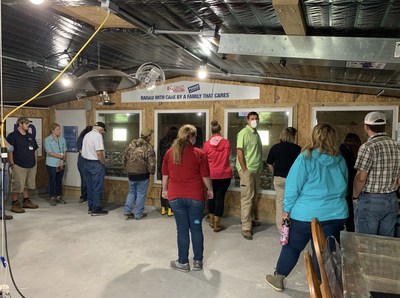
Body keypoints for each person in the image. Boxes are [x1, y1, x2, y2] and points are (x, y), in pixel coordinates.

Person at [265, 123, 348, 292]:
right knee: (323, 251)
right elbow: (345, 186)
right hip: (335, 214)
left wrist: (286, 210)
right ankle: (322, 286)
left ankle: (279, 277)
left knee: (292, 246)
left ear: (315, 136)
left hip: (305, 215)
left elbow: (292, 187)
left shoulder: (306, 157)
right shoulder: (340, 160)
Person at [161, 124, 213, 272]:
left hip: (176, 198)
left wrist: (164, 190)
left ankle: (183, 262)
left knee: (182, 229)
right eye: (195, 136)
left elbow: (165, 174)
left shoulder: (170, 153)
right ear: (191, 137)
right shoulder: (199, 153)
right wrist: (210, 190)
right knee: (196, 228)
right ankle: (197, 262)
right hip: (196, 199)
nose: (196, 139)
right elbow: (205, 176)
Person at [353, 111, 400, 236]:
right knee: (384, 244)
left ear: (366, 127)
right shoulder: (397, 146)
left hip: (370, 201)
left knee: (366, 243)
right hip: (392, 200)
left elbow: (361, 178)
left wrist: (355, 196)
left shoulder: (368, 147)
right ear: (384, 127)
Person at [266, 127, 301, 231]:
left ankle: (281, 229)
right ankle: (292, 226)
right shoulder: (297, 149)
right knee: (293, 202)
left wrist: (274, 173)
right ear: (293, 136)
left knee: (280, 202)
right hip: (292, 180)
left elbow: (269, 163)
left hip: (279, 178)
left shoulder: (275, 147)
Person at [236, 111, 263, 240]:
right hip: (248, 171)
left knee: (253, 196)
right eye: (252, 119)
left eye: (256, 119)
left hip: (256, 170)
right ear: (248, 120)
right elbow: (239, 150)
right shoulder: (244, 133)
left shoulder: (256, 134)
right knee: (247, 198)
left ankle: (250, 220)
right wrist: (245, 169)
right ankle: (246, 228)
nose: (255, 121)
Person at [203, 120, 232, 232]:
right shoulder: (226, 143)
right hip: (225, 175)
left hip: (211, 175)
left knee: (211, 196)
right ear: (220, 130)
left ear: (211, 131)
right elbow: (228, 155)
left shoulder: (206, 145)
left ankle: (211, 220)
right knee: (220, 197)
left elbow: (204, 160)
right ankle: (217, 224)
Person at [7, 117, 39, 213]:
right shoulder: (12, 136)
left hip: (31, 164)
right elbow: (10, 150)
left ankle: (26, 201)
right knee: (17, 185)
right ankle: (15, 203)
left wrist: (35, 161)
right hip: (18, 164)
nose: (28, 125)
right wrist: (12, 163)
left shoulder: (30, 136)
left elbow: (35, 149)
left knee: (27, 185)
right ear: (20, 124)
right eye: (26, 123)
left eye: (28, 123)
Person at [123, 128, 156, 220]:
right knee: (141, 194)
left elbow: (125, 157)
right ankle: (138, 214)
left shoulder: (131, 144)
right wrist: (152, 171)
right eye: (150, 135)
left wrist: (126, 168)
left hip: (131, 173)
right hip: (142, 174)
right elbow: (152, 163)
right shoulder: (148, 147)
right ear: (148, 136)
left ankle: (127, 212)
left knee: (131, 193)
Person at [81, 122, 108, 216]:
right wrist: (103, 162)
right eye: (103, 131)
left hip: (86, 163)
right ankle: (96, 209)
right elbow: (99, 152)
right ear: (100, 129)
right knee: (97, 187)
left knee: (90, 186)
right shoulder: (97, 136)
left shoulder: (87, 135)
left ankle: (91, 207)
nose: (102, 133)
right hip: (96, 164)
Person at [339, 133, 361, 232]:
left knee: (346, 213)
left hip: (344, 185)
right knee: (353, 215)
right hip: (355, 186)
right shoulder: (357, 152)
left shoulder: (342, 150)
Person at [44, 123, 67, 206]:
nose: (59, 131)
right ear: (52, 130)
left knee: (59, 180)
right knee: (52, 180)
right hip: (52, 163)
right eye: (57, 129)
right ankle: (52, 197)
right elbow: (49, 152)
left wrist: (63, 159)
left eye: (59, 129)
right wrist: (61, 157)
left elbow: (64, 150)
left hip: (61, 163)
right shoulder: (47, 140)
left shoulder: (62, 139)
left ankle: (58, 196)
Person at [158, 126, 178, 216]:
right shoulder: (176, 144)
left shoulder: (162, 141)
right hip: (172, 168)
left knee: (164, 187)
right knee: (172, 189)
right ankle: (170, 209)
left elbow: (161, 155)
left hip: (163, 168)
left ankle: (163, 208)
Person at [76, 126, 92, 203]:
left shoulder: (92, 139)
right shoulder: (81, 139)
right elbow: (81, 151)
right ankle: (84, 196)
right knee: (85, 180)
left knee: (90, 180)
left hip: (90, 161)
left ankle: (89, 196)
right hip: (83, 161)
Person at [0, 138, 14, 220]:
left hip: (4, 168)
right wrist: (4, 148)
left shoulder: (1, 137)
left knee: (4, 192)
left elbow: (11, 148)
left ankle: (1, 213)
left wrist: (4, 147)